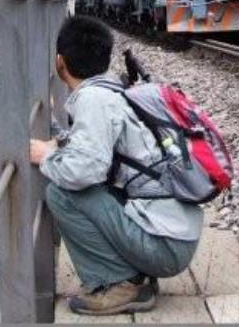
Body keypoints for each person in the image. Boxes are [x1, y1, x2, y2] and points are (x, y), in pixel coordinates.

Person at [29, 16, 202, 316]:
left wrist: (46, 156)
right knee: (78, 182)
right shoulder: (114, 89)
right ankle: (132, 273)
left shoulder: (93, 100)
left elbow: (84, 171)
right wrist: (61, 145)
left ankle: (118, 283)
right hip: (175, 236)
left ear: (60, 62)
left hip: (165, 247)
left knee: (61, 193)